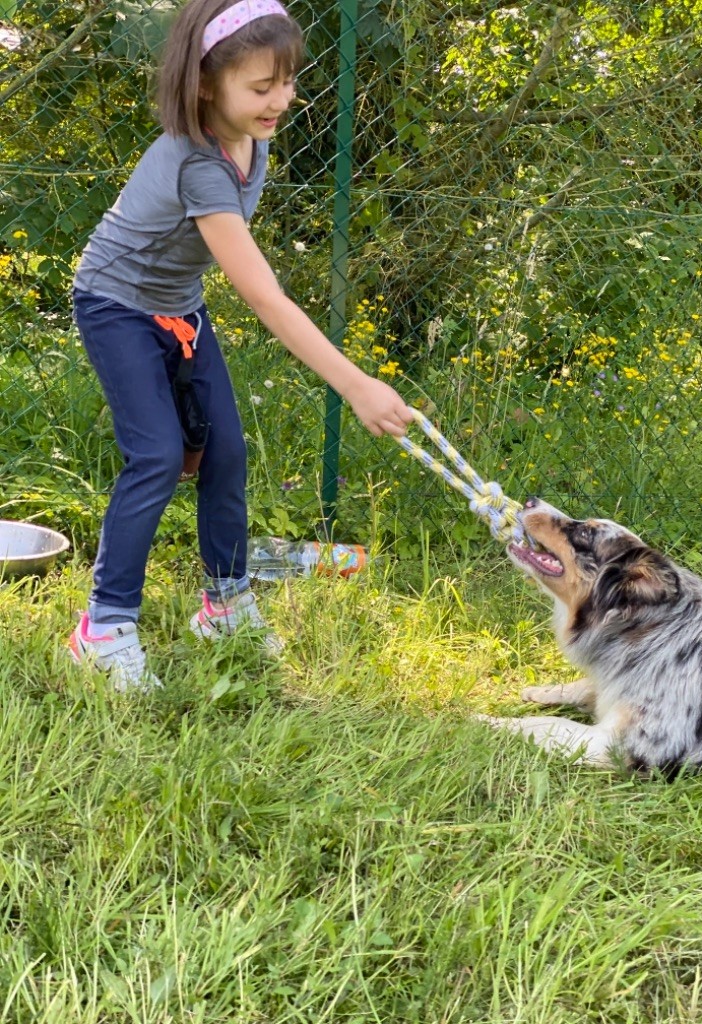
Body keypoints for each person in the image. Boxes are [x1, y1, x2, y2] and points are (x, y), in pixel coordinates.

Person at [69, 0, 412, 692]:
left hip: (178, 308)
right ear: (204, 85)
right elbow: (263, 296)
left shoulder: (251, 138)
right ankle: (103, 626)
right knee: (158, 454)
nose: (281, 99)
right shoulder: (197, 163)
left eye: (287, 81)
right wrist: (355, 383)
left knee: (226, 450)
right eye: (262, 87)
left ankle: (224, 604)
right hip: (115, 305)